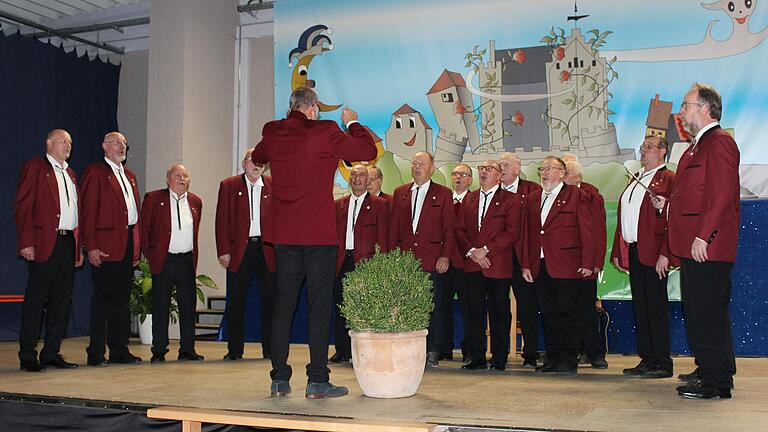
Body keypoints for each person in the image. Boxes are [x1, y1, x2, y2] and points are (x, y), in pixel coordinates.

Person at [251, 86, 376, 399]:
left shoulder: (272, 131)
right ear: (313, 109)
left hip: (284, 237)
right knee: (319, 307)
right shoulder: (326, 131)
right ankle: (317, 380)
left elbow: (257, 156)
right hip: (318, 237)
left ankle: (279, 378)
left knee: (284, 305)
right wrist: (353, 123)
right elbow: (366, 151)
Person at [665, 83, 740, 399]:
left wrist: (703, 235)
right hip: (693, 246)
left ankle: (716, 382)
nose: (680, 112)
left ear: (705, 108)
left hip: (707, 246)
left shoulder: (719, 143)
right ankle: (712, 369)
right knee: (699, 312)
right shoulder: (696, 146)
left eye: (685, 105)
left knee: (707, 312)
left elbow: (721, 194)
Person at [14, 129, 83, 372]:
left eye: (70, 143)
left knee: (62, 301)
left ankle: (51, 352)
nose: (68, 146)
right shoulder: (36, 167)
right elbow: (23, 206)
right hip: (44, 241)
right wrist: (26, 241)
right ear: (49, 143)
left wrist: (78, 247)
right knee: (36, 299)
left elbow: (75, 213)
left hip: (66, 242)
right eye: (63, 141)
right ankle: (27, 353)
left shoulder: (71, 174)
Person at [521, 156, 595, 375]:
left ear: (562, 173)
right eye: (542, 169)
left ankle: (568, 359)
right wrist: (526, 263)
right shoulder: (533, 198)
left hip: (566, 263)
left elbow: (587, 230)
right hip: (540, 264)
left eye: (550, 169)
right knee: (548, 313)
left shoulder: (576, 195)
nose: (544, 173)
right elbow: (527, 233)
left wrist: (588, 261)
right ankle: (553, 357)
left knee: (567, 313)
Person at [612, 135, 676, 379]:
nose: (644, 150)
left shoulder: (668, 178)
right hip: (636, 249)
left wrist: (665, 254)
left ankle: (663, 361)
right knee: (641, 305)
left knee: (656, 306)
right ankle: (647, 358)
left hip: (655, 251)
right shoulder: (637, 177)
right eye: (643, 146)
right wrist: (619, 251)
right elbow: (626, 216)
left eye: (650, 147)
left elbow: (673, 219)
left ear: (662, 152)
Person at [80, 131, 142, 366]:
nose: (121, 147)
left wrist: (136, 247)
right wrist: (91, 246)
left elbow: (133, 214)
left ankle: (119, 349)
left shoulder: (130, 175)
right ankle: (95, 352)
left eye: (124, 143)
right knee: (102, 300)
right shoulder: (96, 173)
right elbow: (88, 212)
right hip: (105, 245)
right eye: (116, 143)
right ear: (104, 146)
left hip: (125, 243)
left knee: (122, 300)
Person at [389, 151, 455, 368]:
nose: (417, 167)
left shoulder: (443, 193)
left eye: (422, 163)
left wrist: (445, 255)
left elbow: (449, 229)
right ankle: (410, 351)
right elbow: (394, 229)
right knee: (408, 307)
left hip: (433, 260)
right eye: (414, 163)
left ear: (432, 168)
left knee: (433, 307)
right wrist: (394, 257)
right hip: (406, 262)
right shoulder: (400, 192)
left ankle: (432, 351)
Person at [456, 160, 521, 371]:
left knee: (499, 312)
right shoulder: (469, 198)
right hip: (473, 264)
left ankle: (499, 357)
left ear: (500, 175)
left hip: (497, 264)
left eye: (489, 169)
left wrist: (486, 250)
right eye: (481, 169)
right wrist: (473, 252)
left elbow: (511, 232)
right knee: (473, 311)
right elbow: (459, 229)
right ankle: (476, 356)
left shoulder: (511, 200)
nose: (484, 172)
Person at [215, 148, 276, 361]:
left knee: (270, 300)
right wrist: (223, 250)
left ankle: (269, 349)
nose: (256, 164)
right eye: (252, 160)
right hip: (239, 251)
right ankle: (234, 349)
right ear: (244, 163)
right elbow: (221, 221)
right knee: (236, 301)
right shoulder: (229, 185)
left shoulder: (272, 186)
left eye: (260, 161)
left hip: (266, 250)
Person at [140, 164, 204, 363]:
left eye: (185, 175)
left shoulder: (195, 201)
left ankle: (187, 349)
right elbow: (144, 230)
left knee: (187, 305)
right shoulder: (153, 198)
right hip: (164, 259)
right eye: (178, 175)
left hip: (186, 260)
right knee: (161, 305)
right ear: (168, 179)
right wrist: (151, 256)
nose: (182, 178)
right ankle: (159, 350)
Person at [330, 164, 389, 363]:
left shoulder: (380, 205)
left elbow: (383, 238)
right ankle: (342, 350)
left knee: (364, 308)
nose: (357, 179)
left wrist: (380, 266)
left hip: (366, 263)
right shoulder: (338, 204)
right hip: (341, 262)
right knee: (340, 308)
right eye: (353, 175)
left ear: (369, 180)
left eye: (361, 176)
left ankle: (363, 351)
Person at [563, 159, 609, 369]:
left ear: (577, 176)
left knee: (587, 309)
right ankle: (572, 351)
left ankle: (595, 352)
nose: (563, 176)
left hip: (586, 262)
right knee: (566, 309)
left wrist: (596, 261)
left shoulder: (591, 195)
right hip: (563, 263)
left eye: (566, 172)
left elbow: (599, 229)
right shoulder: (557, 195)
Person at [499, 152, 542, 368]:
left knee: (527, 306)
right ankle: (499, 355)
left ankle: (531, 353)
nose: (502, 168)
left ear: (517, 169)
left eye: (505, 165)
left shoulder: (532, 189)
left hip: (521, 257)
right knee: (499, 306)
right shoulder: (492, 192)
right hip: (497, 258)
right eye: (499, 165)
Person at [442, 163, 473, 362]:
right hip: (445, 261)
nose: (457, 178)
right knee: (442, 306)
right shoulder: (445, 199)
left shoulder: (475, 199)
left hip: (467, 263)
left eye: (462, 174)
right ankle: (444, 347)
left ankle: (469, 350)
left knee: (469, 308)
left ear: (470, 179)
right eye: (454, 174)